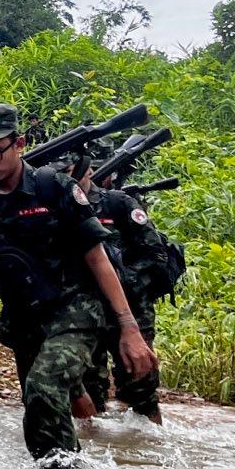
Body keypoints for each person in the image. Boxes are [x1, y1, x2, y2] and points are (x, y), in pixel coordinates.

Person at [0, 103, 156, 469]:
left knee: (43, 387)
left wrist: (129, 329)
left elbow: (97, 258)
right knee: (41, 409)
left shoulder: (54, 187)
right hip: (24, 319)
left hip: (75, 309)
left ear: (20, 144)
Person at [64, 158, 165, 424]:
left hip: (131, 309)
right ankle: (99, 452)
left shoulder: (117, 204)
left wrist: (119, 282)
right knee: (90, 387)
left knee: (140, 386)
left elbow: (155, 255)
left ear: (89, 173)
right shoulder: (61, 206)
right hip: (87, 313)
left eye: (74, 175)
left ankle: (150, 449)